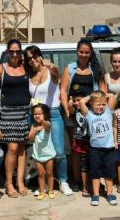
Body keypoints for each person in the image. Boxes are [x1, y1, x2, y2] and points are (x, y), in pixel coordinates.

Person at [24, 45, 72, 196]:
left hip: (53, 113)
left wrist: (50, 65)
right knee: (40, 151)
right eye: (29, 58)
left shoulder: (50, 71)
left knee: (59, 151)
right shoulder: (29, 75)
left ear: (40, 56)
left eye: (34, 56)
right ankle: (43, 184)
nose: (32, 60)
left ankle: (63, 182)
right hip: (37, 115)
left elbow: (57, 75)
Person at [60, 39, 106, 191]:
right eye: (81, 52)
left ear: (90, 53)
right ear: (77, 52)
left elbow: (102, 92)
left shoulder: (96, 70)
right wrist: (67, 108)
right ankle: (77, 180)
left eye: (87, 52)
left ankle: (91, 180)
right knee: (76, 149)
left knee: (92, 147)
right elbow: (63, 90)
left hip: (92, 115)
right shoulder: (70, 68)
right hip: (74, 114)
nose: (84, 55)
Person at [0, 39, 30, 198]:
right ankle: (9, 183)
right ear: (7, 52)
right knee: (12, 149)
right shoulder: (1, 67)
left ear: (21, 53)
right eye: (11, 51)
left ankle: (20, 182)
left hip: (24, 112)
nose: (14, 54)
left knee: (21, 149)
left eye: (17, 51)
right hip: (8, 113)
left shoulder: (25, 67)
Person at [78, 91, 117, 206]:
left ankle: (109, 193)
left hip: (109, 149)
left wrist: (101, 96)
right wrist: (93, 96)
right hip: (95, 149)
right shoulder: (89, 114)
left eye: (103, 104)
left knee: (109, 173)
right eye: (98, 105)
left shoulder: (108, 112)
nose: (101, 107)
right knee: (95, 173)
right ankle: (95, 194)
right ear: (92, 104)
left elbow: (111, 96)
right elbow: (81, 101)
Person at [29, 104, 57, 200]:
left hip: (48, 153)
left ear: (45, 114)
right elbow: (30, 138)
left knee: (49, 173)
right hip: (38, 154)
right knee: (41, 174)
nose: (37, 115)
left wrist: (42, 121)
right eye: (35, 114)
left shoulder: (47, 123)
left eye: (40, 113)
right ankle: (41, 191)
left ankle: (51, 190)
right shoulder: (33, 125)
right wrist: (34, 130)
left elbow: (47, 127)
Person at [68, 92, 90, 196]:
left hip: (90, 141)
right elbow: (70, 108)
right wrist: (70, 102)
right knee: (82, 163)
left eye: (79, 100)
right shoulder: (75, 112)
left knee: (89, 163)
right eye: (75, 100)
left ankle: (88, 184)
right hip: (79, 141)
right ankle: (81, 184)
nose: (77, 103)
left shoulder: (90, 111)